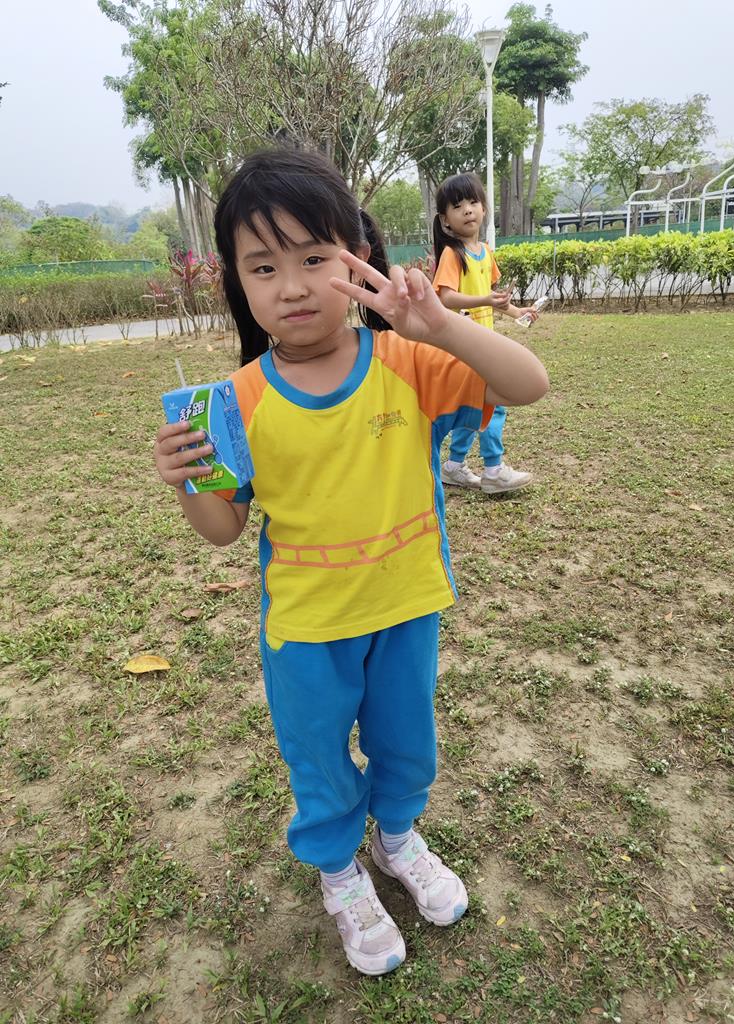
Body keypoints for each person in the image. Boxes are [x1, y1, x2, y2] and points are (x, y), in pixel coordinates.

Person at [153, 149, 548, 976]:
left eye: (314, 258)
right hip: (307, 630)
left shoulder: (406, 361)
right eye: (264, 267)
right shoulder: (234, 402)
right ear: (237, 280)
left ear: (358, 258)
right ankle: (340, 872)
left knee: (407, 743)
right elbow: (223, 529)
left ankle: (397, 840)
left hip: (406, 608)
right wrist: (187, 480)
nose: (292, 287)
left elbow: (528, 384)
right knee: (320, 760)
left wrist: (440, 325)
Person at [432, 171, 541, 495]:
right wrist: (483, 300)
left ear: (483, 207)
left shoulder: (485, 251)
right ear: (445, 220)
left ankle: (453, 466)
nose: (467, 210)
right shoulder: (453, 254)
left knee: (474, 406)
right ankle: (493, 470)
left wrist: (518, 312)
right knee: (495, 404)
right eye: (457, 206)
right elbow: (446, 297)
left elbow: (494, 298)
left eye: (473, 202)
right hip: (466, 347)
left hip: (484, 345)